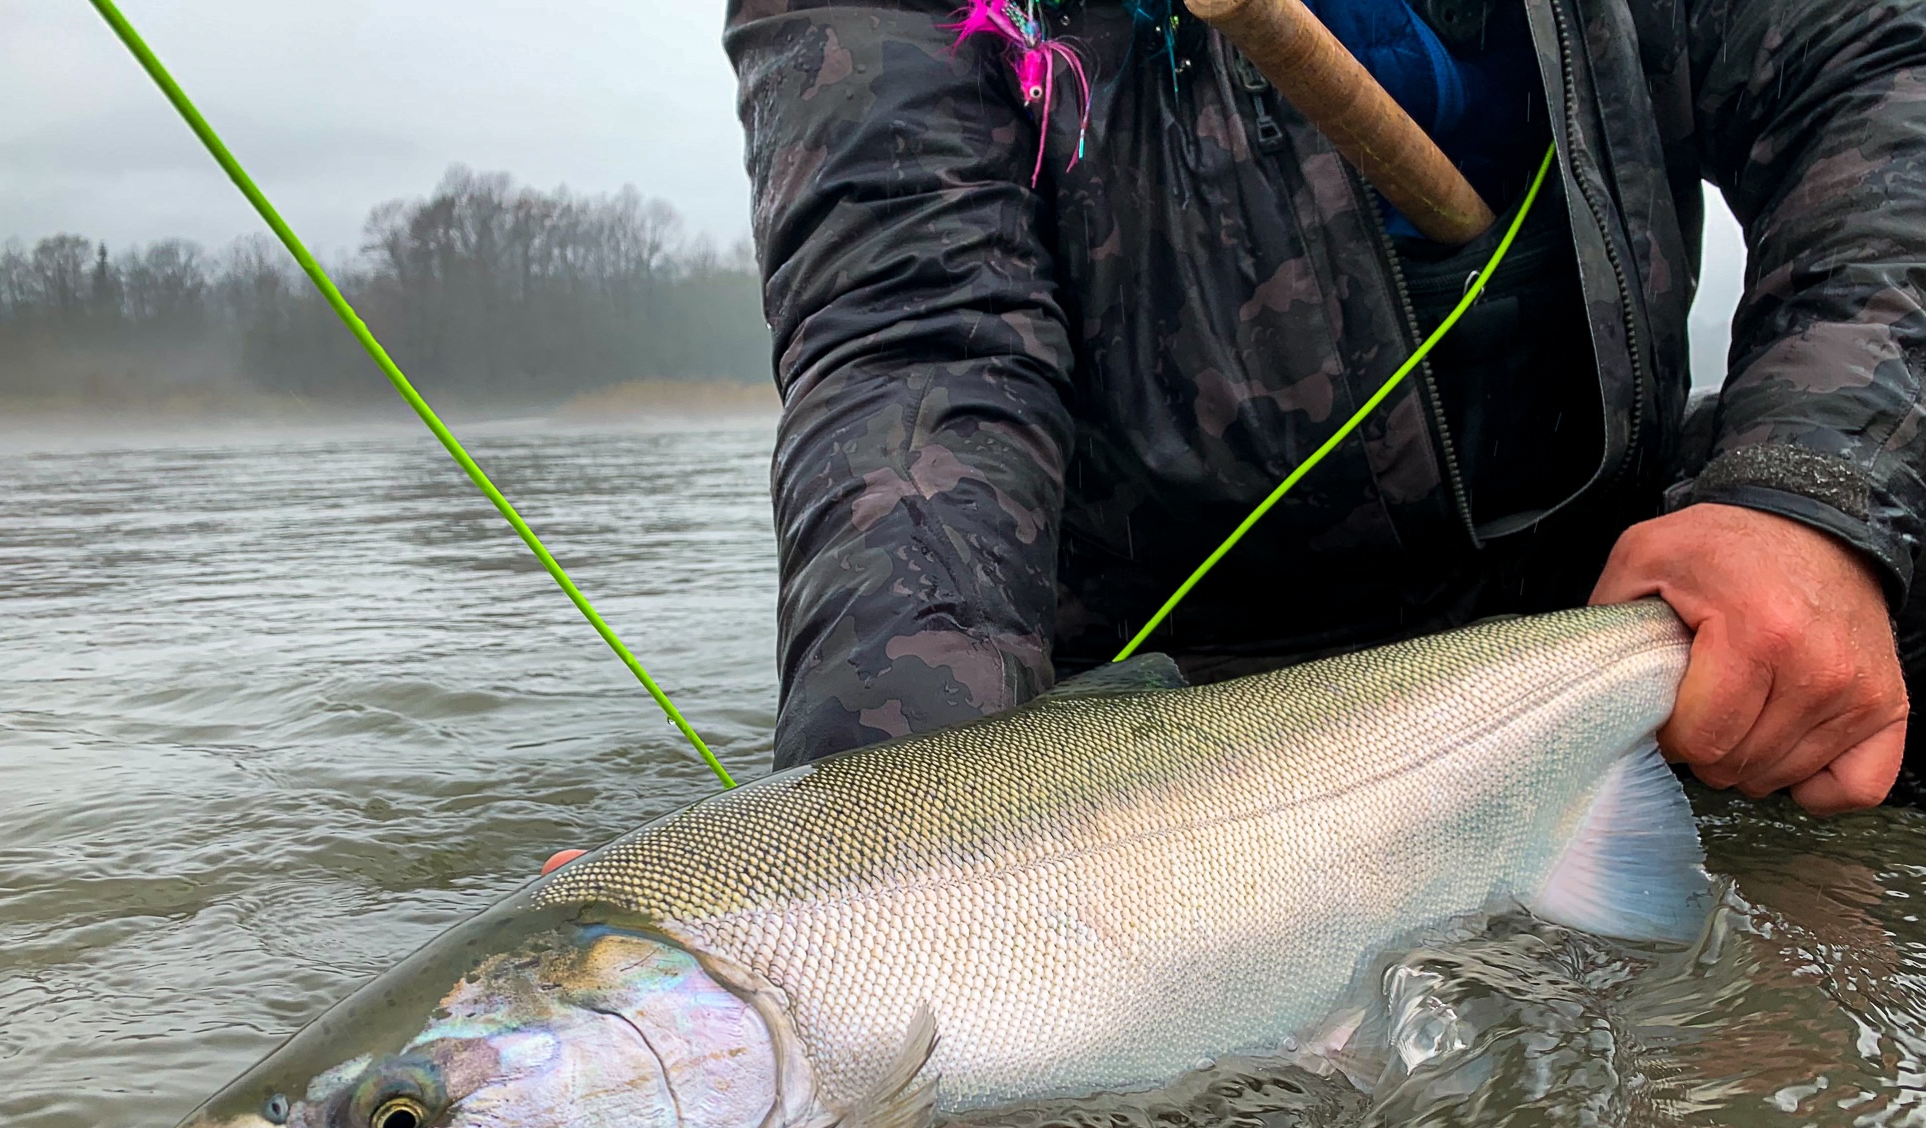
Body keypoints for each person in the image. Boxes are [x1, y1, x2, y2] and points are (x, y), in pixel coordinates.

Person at [724, 0, 1924, 813]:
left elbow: (1874, 73)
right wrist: (866, 812)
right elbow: (920, 340)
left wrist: (1808, 498)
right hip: (1167, 711)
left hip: (1626, 594)